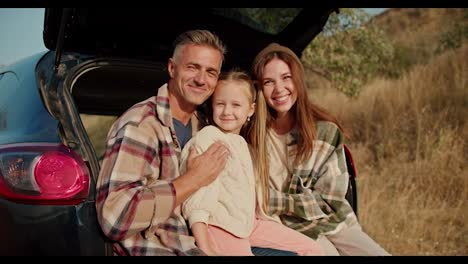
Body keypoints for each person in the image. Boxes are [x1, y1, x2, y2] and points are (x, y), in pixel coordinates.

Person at [95, 29, 231, 256]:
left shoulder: (207, 125)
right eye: (192, 67)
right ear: (171, 68)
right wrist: (194, 178)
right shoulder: (140, 124)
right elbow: (115, 218)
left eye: (211, 72)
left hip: (208, 243)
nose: (201, 79)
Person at [248, 43, 391, 256]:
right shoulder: (253, 135)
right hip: (290, 226)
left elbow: (329, 201)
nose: (279, 89)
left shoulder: (325, 132)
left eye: (286, 77)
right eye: (269, 82)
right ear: (259, 88)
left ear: (298, 80)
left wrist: (271, 200)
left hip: (334, 222)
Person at [180, 70, 324, 256]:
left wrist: (267, 220)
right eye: (220, 104)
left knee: (313, 249)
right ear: (212, 106)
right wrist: (204, 246)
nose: (227, 112)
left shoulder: (244, 146)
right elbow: (198, 199)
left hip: (248, 224)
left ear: (251, 109)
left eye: (236, 105)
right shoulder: (210, 138)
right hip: (219, 226)